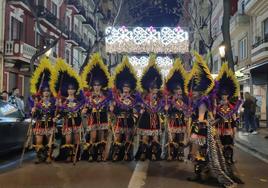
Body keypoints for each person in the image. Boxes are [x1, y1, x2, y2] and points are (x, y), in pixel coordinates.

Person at [186, 52, 241, 188]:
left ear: (199, 92)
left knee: (198, 152)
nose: (192, 94)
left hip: (202, 131)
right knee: (204, 153)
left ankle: (200, 174)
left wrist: (193, 133)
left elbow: (200, 119)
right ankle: (203, 173)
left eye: (194, 91)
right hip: (207, 130)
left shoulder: (202, 102)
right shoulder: (203, 100)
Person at [51, 59, 84, 163]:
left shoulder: (79, 100)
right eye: (69, 89)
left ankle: (76, 155)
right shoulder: (63, 101)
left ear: (75, 90)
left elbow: (83, 108)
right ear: (67, 90)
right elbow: (61, 112)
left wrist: (83, 111)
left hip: (77, 121)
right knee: (68, 140)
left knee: (77, 140)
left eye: (72, 89)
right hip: (67, 122)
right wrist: (57, 117)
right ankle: (68, 155)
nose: (70, 90)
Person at [81, 53, 111, 162]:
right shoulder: (89, 97)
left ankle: (100, 154)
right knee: (93, 137)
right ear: (92, 86)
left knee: (101, 137)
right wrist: (84, 110)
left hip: (103, 119)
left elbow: (109, 107)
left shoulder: (105, 96)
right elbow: (86, 109)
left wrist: (111, 108)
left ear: (101, 86)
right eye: (95, 85)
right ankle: (91, 154)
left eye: (98, 85)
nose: (97, 87)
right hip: (93, 120)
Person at [109, 56, 140, 161]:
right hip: (119, 120)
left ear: (130, 89)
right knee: (117, 138)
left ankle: (127, 154)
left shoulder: (133, 99)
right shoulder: (117, 98)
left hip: (129, 121)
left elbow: (136, 110)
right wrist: (113, 107)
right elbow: (113, 110)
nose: (126, 90)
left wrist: (136, 115)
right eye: (124, 88)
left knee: (127, 138)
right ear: (121, 88)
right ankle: (117, 154)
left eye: (128, 88)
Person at [136, 56, 163, 161]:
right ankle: (143, 153)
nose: (155, 89)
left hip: (155, 119)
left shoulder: (160, 97)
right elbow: (137, 105)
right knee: (145, 137)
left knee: (155, 138)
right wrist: (141, 109)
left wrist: (163, 108)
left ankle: (153, 153)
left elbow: (162, 106)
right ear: (149, 88)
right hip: (146, 118)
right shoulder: (143, 96)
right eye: (153, 88)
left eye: (156, 88)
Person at [29, 57, 56, 164]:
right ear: (42, 93)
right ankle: (40, 156)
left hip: (49, 123)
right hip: (39, 123)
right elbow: (33, 113)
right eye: (44, 92)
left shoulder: (53, 102)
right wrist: (33, 110)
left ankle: (49, 156)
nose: (46, 93)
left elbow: (57, 112)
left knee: (50, 141)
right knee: (38, 141)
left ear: (49, 92)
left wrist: (55, 117)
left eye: (47, 91)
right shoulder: (37, 102)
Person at [215, 63, 241, 164]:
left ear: (228, 96)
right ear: (220, 96)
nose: (224, 96)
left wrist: (234, 128)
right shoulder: (217, 107)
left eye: (225, 95)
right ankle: (220, 159)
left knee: (229, 143)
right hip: (219, 127)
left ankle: (229, 159)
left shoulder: (232, 106)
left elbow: (234, 118)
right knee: (220, 143)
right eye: (222, 95)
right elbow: (216, 116)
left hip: (229, 127)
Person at [164, 59, 187, 161]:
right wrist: (166, 108)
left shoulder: (184, 100)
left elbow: (187, 110)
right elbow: (165, 110)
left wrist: (187, 112)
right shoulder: (169, 99)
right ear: (174, 90)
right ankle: (170, 154)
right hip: (172, 120)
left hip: (181, 121)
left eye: (180, 90)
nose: (179, 92)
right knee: (171, 137)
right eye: (177, 90)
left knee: (181, 137)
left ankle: (180, 154)